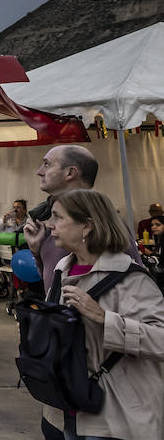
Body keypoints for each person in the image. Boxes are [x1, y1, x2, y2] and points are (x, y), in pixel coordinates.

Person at [35, 189, 164, 440]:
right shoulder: (63, 270)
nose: (50, 224)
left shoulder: (131, 278)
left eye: (58, 217)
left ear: (86, 226)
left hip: (113, 416)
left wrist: (105, 318)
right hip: (64, 408)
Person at [23, 145, 143, 289]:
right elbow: (50, 279)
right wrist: (37, 252)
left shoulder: (103, 221)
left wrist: (98, 312)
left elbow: (136, 281)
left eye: (47, 164)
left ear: (70, 173)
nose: (39, 172)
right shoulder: (49, 222)